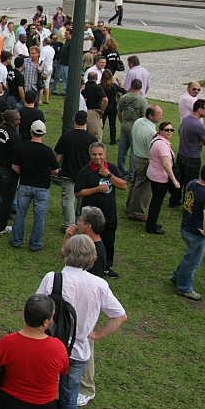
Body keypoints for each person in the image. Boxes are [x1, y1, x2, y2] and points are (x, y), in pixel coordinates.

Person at [36, 234, 127, 409]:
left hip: (49, 348)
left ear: (67, 252)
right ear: (91, 257)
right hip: (77, 352)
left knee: (42, 395)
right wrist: (96, 335)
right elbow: (120, 316)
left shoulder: (53, 278)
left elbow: (35, 311)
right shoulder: (100, 285)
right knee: (69, 400)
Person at [0, 294, 69, 409]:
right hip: (44, 408)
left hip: (11, 404)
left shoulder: (7, 342)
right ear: (46, 323)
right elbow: (64, 370)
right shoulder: (58, 348)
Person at [73, 144, 126, 279]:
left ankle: (106, 267)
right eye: (94, 154)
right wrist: (96, 189)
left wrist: (109, 176)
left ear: (105, 155)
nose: (97, 157)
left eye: (100, 154)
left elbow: (123, 185)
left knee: (108, 241)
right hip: (90, 217)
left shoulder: (111, 169)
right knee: (88, 241)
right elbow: (78, 192)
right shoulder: (85, 172)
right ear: (90, 155)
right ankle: (85, 264)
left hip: (109, 214)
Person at [172, 162, 205, 300]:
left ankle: (178, 276)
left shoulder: (192, 183)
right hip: (196, 232)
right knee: (193, 260)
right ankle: (184, 287)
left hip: (186, 225)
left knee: (190, 254)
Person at [10, 120, 60, 251]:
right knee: (39, 216)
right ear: (44, 133)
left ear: (30, 132)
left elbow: (14, 166)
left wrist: (23, 173)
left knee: (21, 213)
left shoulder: (22, 148)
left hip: (25, 184)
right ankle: (35, 243)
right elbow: (55, 171)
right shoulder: (47, 151)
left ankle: (16, 240)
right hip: (42, 187)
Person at [54, 111, 97, 230]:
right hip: (85, 173)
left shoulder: (67, 136)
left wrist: (54, 168)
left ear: (74, 120)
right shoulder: (91, 138)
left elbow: (59, 154)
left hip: (68, 171)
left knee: (68, 198)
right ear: (87, 121)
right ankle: (80, 217)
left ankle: (69, 224)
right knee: (82, 198)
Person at [126, 105, 162, 222]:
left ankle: (130, 205)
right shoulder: (150, 131)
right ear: (150, 116)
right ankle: (136, 212)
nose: (161, 117)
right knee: (143, 188)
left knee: (135, 183)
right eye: (159, 115)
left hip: (136, 157)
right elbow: (152, 150)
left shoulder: (139, 122)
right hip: (144, 160)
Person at [146, 121, 180, 235]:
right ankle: (151, 226)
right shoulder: (161, 145)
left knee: (156, 200)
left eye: (171, 130)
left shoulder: (156, 141)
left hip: (154, 173)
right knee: (157, 202)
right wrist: (174, 180)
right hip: (159, 177)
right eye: (167, 130)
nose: (170, 132)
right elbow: (166, 165)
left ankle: (151, 223)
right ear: (161, 131)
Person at [176, 98, 205, 201]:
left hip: (181, 155)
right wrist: (202, 141)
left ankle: (174, 200)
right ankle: (187, 202)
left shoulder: (185, 120)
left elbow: (180, 131)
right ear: (200, 110)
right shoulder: (199, 126)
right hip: (193, 158)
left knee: (179, 180)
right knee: (190, 183)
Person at [116, 78, 148, 174]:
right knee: (134, 151)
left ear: (131, 86)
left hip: (125, 125)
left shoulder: (123, 98)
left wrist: (122, 121)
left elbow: (119, 112)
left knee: (122, 149)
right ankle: (131, 173)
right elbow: (144, 116)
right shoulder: (142, 101)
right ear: (141, 87)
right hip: (136, 128)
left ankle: (120, 169)